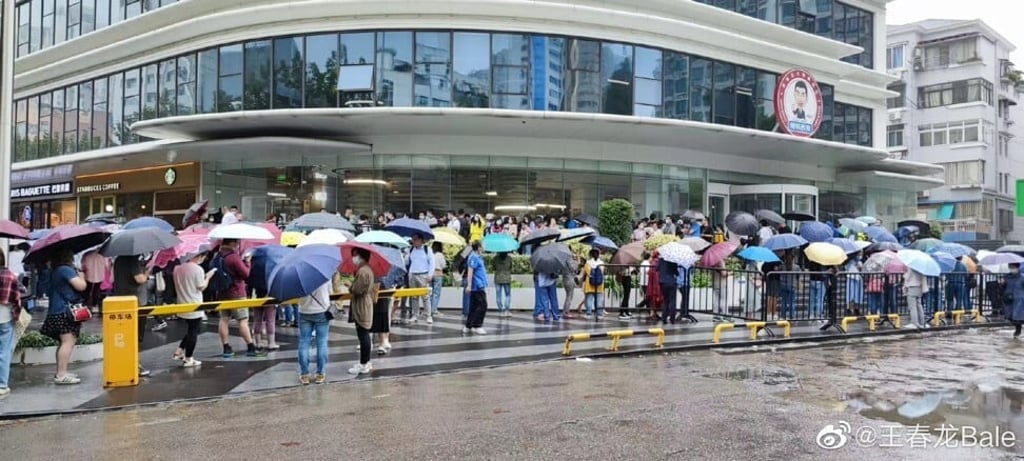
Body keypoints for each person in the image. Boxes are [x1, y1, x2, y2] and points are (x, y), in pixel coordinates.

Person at [39, 250, 87, 385]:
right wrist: (82, 276)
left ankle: (61, 371)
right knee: (68, 342)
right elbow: (81, 286)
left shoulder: (54, 270)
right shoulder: (65, 270)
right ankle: (61, 374)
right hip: (65, 312)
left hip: (56, 310)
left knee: (63, 343)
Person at [214, 239, 262, 358]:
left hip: (222, 293)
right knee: (242, 320)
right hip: (237, 293)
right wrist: (247, 262)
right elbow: (245, 274)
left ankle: (226, 348)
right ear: (232, 244)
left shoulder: (217, 256)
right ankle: (251, 347)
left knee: (224, 319)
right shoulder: (233, 257)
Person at [113, 253, 154, 377]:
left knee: (124, 334)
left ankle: (124, 363)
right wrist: (147, 272)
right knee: (135, 335)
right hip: (133, 301)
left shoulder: (118, 259)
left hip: (119, 299)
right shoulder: (132, 260)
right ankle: (134, 365)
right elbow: (140, 279)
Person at [172, 252, 216, 368]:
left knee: (192, 329)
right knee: (194, 331)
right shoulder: (198, 269)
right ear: (199, 256)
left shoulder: (177, 268)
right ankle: (188, 358)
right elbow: (201, 287)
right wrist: (208, 277)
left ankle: (179, 350)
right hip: (195, 304)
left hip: (181, 303)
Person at [347, 247, 376, 374]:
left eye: (355, 255)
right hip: (365, 304)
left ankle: (364, 363)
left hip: (362, 305)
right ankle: (366, 361)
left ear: (360, 256)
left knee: (363, 334)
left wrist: (351, 286)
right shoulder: (366, 269)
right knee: (365, 334)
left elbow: (357, 290)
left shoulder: (363, 271)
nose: (353, 258)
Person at [297, 279, 332, 384]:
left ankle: (304, 374)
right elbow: (330, 292)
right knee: (321, 342)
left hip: (304, 311)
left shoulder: (299, 278)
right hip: (322, 311)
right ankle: (320, 373)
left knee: (304, 342)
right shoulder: (325, 277)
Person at [0, 250, 22, 397]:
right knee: (4, 352)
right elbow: (17, 298)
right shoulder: (9, 275)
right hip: (4, 316)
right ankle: (2, 385)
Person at [406, 233, 436, 324]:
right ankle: (415, 315)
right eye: (413, 239)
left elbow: (432, 263)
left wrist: (430, 274)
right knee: (414, 297)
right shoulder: (411, 250)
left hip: (423, 275)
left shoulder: (427, 249)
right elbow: (407, 262)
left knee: (425, 297)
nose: (413, 242)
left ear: (420, 240)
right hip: (413, 274)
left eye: (415, 239)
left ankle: (428, 316)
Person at [463, 241, 489, 334]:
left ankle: (468, 325)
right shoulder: (474, 257)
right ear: (478, 247)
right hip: (477, 286)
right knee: (483, 305)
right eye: (482, 245)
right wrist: (469, 285)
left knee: (473, 306)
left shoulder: (478, 257)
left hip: (479, 285)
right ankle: (477, 325)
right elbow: (470, 271)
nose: (483, 247)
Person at [80, 249, 107, 314]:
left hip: (89, 275)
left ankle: (85, 305)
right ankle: (94, 305)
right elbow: (107, 266)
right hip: (100, 275)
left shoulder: (86, 254)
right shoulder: (103, 255)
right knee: (96, 290)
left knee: (87, 290)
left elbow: (83, 266)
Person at [582, 249, 606, 320]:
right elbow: (603, 273)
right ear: (598, 255)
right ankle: (600, 314)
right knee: (599, 299)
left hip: (589, 284)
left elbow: (585, 273)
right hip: (599, 285)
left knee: (589, 299)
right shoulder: (601, 263)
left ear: (591, 255)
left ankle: (588, 313)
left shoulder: (588, 263)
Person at [657, 256, 678, 325]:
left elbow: (657, 268)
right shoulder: (673, 260)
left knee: (665, 300)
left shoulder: (661, 260)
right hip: (672, 282)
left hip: (663, 282)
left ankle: (664, 318)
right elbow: (676, 272)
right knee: (672, 300)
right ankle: (672, 319)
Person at [493, 252, 513, 318]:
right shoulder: (509, 258)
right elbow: (510, 267)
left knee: (498, 295)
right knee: (507, 295)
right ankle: (507, 310)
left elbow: (494, 268)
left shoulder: (495, 258)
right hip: (507, 278)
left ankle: (500, 311)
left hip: (498, 278)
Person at [429, 241, 446, 319]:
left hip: (431, 274)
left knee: (431, 293)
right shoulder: (440, 255)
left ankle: (429, 310)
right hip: (438, 274)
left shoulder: (431, 254)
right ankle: (434, 310)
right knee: (436, 293)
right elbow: (443, 265)